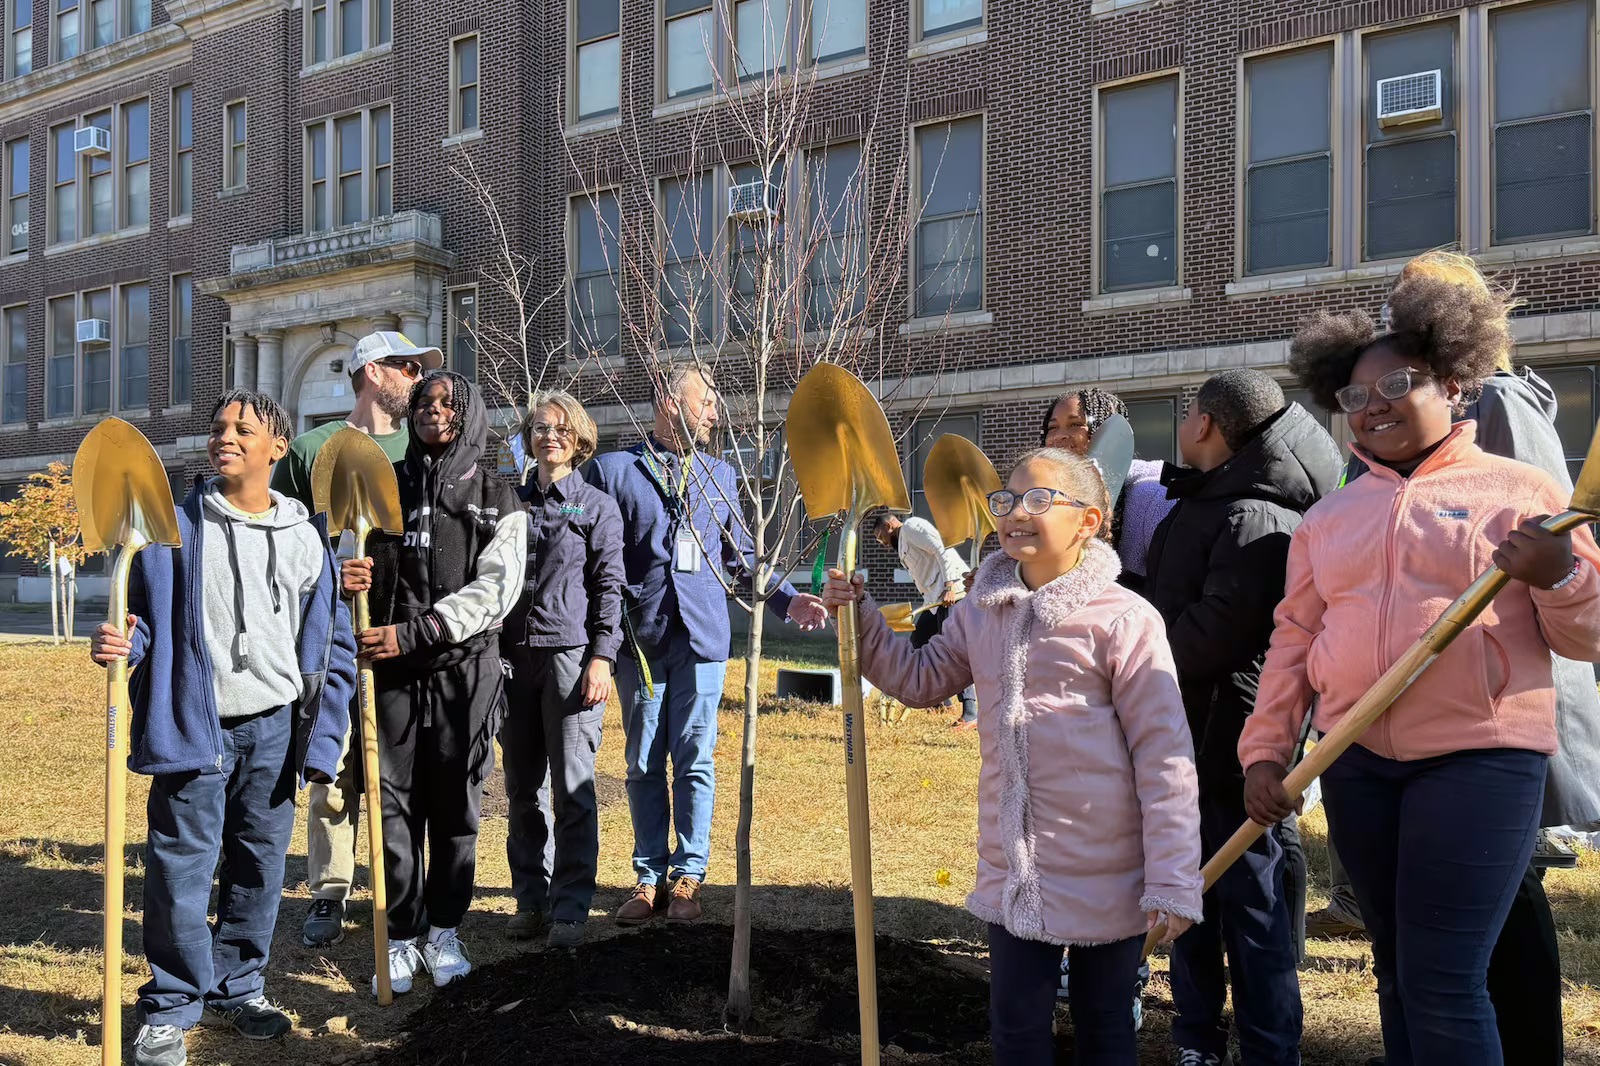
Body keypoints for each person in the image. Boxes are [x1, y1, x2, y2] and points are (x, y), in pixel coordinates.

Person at [1240, 259, 1600, 1066]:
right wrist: (1266, 752)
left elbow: (1587, 638)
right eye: (1353, 398)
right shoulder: (1329, 519)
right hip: (1357, 761)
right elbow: (1295, 641)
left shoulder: (1520, 489)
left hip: (1479, 760)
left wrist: (1564, 575)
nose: (1372, 408)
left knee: (1443, 979)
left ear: (1452, 381)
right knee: (1397, 972)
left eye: (1397, 383)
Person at [822, 447, 1204, 1065]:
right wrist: (862, 618)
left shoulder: (1125, 620)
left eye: (1038, 500)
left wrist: (1172, 877)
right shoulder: (982, 610)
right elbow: (920, 679)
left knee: (1105, 1027)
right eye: (1006, 500)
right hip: (1014, 869)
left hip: (1109, 870)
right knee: (1016, 1029)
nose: (1014, 513)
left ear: (1089, 520)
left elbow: (1165, 756)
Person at [91, 390, 357, 1066]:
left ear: (277, 448)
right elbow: (147, 619)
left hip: (273, 727)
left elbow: (330, 646)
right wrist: (127, 641)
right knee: (180, 867)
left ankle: (239, 987)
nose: (225, 437)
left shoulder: (306, 537)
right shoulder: (172, 529)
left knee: (260, 867)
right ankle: (172, 1005)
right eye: (217, 428)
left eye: (244, 429)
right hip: (195, 723)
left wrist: (322, 740)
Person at [585, 362, 829, 925]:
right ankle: (648, 879)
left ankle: (688, 877)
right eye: (707, 401)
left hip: (702, 642)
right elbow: (589, 553)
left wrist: (788, 600)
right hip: (640, 644)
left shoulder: (719, 475)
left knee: (695, 760)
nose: (716, 412)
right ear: (670, 405)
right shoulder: (614, 472)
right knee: (644, 762)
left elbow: (741, 556)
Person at [1146, 369, 1342, 1066]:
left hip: (1230, 746)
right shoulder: (1211, 500)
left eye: (1188, 411)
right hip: (1186, 739)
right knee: (1187, 894)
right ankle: (1196, 1036)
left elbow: (1214, 635)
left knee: (1251, 909)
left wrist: (1131, 651)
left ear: (1207, 424)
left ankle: (1268, 1047)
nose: (1181, 424)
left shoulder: (1253, 515)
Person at [341, 370, 526, 995]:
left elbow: (496, 593)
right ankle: (400, 937)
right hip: (392, 675)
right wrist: (356, 581)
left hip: (462, 673)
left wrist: (417, 632)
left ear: (468, 414)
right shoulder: (384, 488)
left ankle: (445, 929)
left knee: (453, 809)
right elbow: (358, 555)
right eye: (424, 402)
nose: (433, 411)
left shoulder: (500, 494)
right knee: (394, 806)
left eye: (448, 403)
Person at [271, 329, 442, 951]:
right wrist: (326, 566)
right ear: (373, 372)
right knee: (333, 764)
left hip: (405, 630)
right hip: (333, 632)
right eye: (405, 367)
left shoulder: (424, 446)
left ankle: (402, 887)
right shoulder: (315, 448)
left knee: (401, 764)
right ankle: (330, 890)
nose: (415, 378)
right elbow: (282, 536)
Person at [500, 390, 624, 949]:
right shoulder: (510, 503)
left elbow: (609, 589)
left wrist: (602, 656)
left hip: (571, 659)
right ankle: (532, 899)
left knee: (572, 787)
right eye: (540, 428)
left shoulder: (594, 506)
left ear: (578, 439)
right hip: (513, 661)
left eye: (560, 429)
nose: (549, 436)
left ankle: (571, 908)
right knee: (523, 788)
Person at [1041, 387, 1174, 590]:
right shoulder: (1039, 498)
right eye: (1052, 427)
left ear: (1109, 434)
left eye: (1075, 424)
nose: (1059, 436)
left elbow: (1171, 586)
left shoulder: (1152, 496)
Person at [872, 513, 976, 727]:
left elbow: (942, 549)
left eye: (879, 536)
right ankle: (941, 700)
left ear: (889, 525)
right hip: (934, 600)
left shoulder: (912, 527)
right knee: (919, 641)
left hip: (951, 594)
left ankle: (971, 712)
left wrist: (949, 586)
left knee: (953, 651)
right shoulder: (902, 543)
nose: (880, 543)